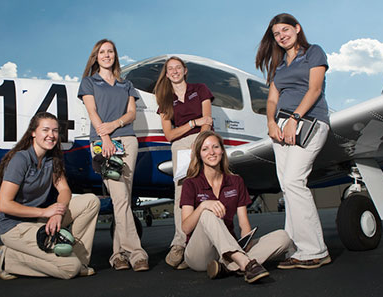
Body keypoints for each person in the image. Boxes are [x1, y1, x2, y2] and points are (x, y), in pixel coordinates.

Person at [255, 13, 332, 269]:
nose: (281, 36)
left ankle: (315, 250)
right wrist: (270, 123)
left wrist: (294, 118)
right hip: (281, 129)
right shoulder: (280, 66)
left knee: (293, 181)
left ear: (297, 29)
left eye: (286, 30)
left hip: (308, 122)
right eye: (277, 34)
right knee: (287, 188)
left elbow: (315, 89)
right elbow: (272, 100)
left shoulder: (313, 53)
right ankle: (295, 248)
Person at [0, 112, 100, 280]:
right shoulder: (20, 159)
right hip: (15, 227)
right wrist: (45, 213)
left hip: (38, 221)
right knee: (69, 268)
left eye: (55, 131)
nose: (51, 135)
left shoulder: (51, 159)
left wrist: (58, 213)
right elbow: (4, 205)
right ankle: (9, 258)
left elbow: (65, 190)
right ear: (33, 133)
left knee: (91, 201)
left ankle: (81, 261)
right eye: (45, 130)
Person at [180, 131, 292, 283]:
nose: (211, 152)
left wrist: (247, 241)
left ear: (222, 151)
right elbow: (186, 228)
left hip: (227, 251)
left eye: (215, 147)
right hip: (200, 254)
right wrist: (203, 206)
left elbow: (243, 223)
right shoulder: (190, 183)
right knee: (207, 213)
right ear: (199, 154)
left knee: (283, 237)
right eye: (205, 149)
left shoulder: (236, 181)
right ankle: (245, 264)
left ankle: (228, 267)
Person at [77, 39, 149, 272]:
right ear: (95, 57)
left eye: (110, 52)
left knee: (123, 200)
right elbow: (92, 112)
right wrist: (105, 137)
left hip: (128, 140)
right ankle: (136, 253)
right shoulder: (89, 82)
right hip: (103, 143)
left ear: (115, 56)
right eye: (101, 52)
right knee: (119, 197)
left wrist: (115, 124)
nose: (106, 55)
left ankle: (118, 255)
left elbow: (131, 114)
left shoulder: (126, 84)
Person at [153, 56, 214, 269]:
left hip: (202, 142)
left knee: (206, 191)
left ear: (185, 70)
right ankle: (180, 243)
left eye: (178, 67)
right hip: (179, 146)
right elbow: (170, 134)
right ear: (167, 74)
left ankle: (202, 246)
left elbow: (208, 120)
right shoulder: (165, 99)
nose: (175, 71)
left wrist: (201, 146)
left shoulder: (201, 89)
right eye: (171, 69)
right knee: (183, 195)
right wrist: (193, 123)